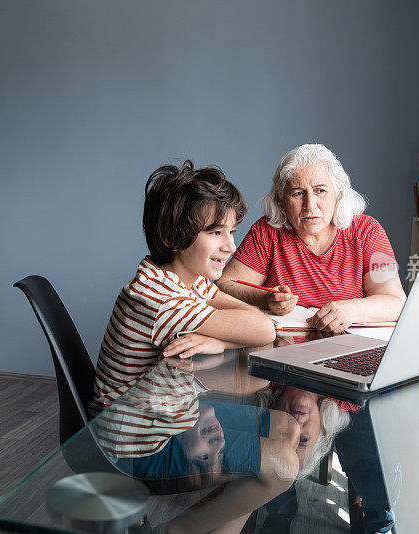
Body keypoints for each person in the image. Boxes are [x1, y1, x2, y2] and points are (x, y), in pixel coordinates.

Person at [88, 160, 299, 533]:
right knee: (281, 466)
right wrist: (236, 331)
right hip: (137, 443)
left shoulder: (183, 278)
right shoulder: (161, 299)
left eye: (231, 231)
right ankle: (181, 529)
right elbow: (264, 328)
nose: (230, 246)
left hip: (168, 415)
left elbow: (249, 317)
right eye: (216, 233)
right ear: (172, 237)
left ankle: (204, 526)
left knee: (285, 427)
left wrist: (217, 336)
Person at [218, 144, 406, 333]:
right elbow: (225, 285)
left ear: (338, 195)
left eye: (320, 191)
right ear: (282, 203)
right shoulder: (267, 232)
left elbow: (395, 302)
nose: (310, 204)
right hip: (282, 350)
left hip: (348, 349)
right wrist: (264, 299)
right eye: (298, 193)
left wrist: (352, 310)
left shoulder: (367, 231)